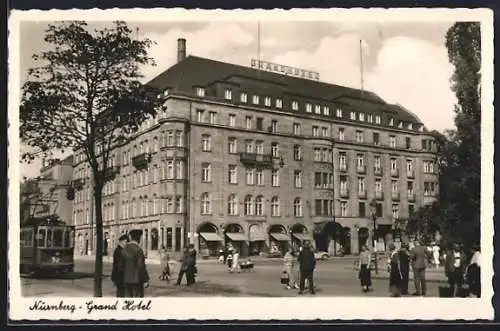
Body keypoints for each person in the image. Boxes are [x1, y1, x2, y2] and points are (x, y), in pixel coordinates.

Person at [122, 229, 149, 297]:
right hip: (137, 281)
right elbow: (141, 266)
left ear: (130, 237)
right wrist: (146, 280)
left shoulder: (124, 249)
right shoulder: (139, 250)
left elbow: (120, 266)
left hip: (125, 280)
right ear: (139, 238)